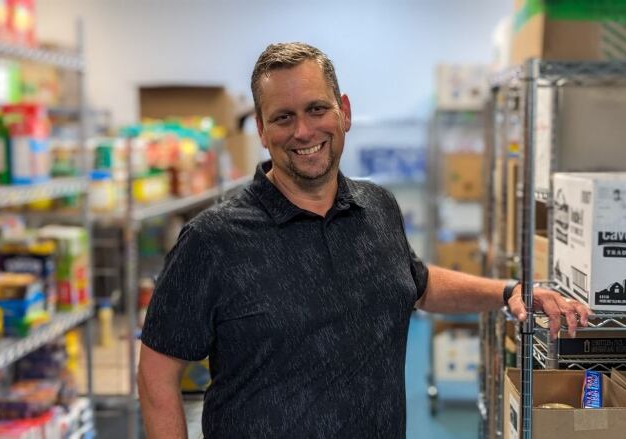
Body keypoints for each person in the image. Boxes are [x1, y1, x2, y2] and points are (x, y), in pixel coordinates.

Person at [137, 42, 591, 439]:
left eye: (317, 109)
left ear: (344, 112)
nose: (303, 131)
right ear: (261, 129)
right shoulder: (212, 240)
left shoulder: (378, 207)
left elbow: (416, 283)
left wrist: (510, 290)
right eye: (283, 117)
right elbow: (157, 378)